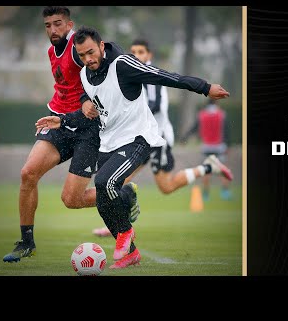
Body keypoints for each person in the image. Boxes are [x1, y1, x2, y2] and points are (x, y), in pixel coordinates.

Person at [35, 26, 230, 268]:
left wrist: (204, 87)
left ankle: (126, 231)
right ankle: (132, 252)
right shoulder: (85, 75)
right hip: (108, 143)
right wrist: (62, 120)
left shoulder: (124, 65)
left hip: (138, 138)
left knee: (105, 182)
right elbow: (91, 110)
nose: (88, 59)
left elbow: (166, 76)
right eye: (82, 55)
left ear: (102, 46)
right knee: (104, 197)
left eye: (91, 52)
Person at [2, 7, 139, 263]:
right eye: (47, 25)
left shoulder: (79, 48)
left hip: (88, 130)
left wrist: (93, 98)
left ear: (69, 24)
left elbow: (110, 51)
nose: (53, 30)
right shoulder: (50, 50)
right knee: (27, 173)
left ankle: (123, 195)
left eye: (58, 24)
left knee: (72, 200)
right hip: (59, 122)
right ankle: (26, 242)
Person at [91, 38, 233, 237]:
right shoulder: (127, 69)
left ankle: (208, 167)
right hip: (138, 138)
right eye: (133, 51)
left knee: (166, 187)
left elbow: (155, 104)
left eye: (141, 52)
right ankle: (118, 225)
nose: (136, 55)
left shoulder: (146, 73)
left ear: (149, 55)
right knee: (116, 180)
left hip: (157, 138)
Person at [183, 99, 232, 201]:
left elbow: (194, 128)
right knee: (223, 169)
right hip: (219, 147)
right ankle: (225, 192)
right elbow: (226, 130)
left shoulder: (202, 115)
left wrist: (185, 137)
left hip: (206, 147)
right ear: (216, 103)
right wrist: (228, 145)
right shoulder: (221, 114)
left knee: (206, 170)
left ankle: (205, 194)